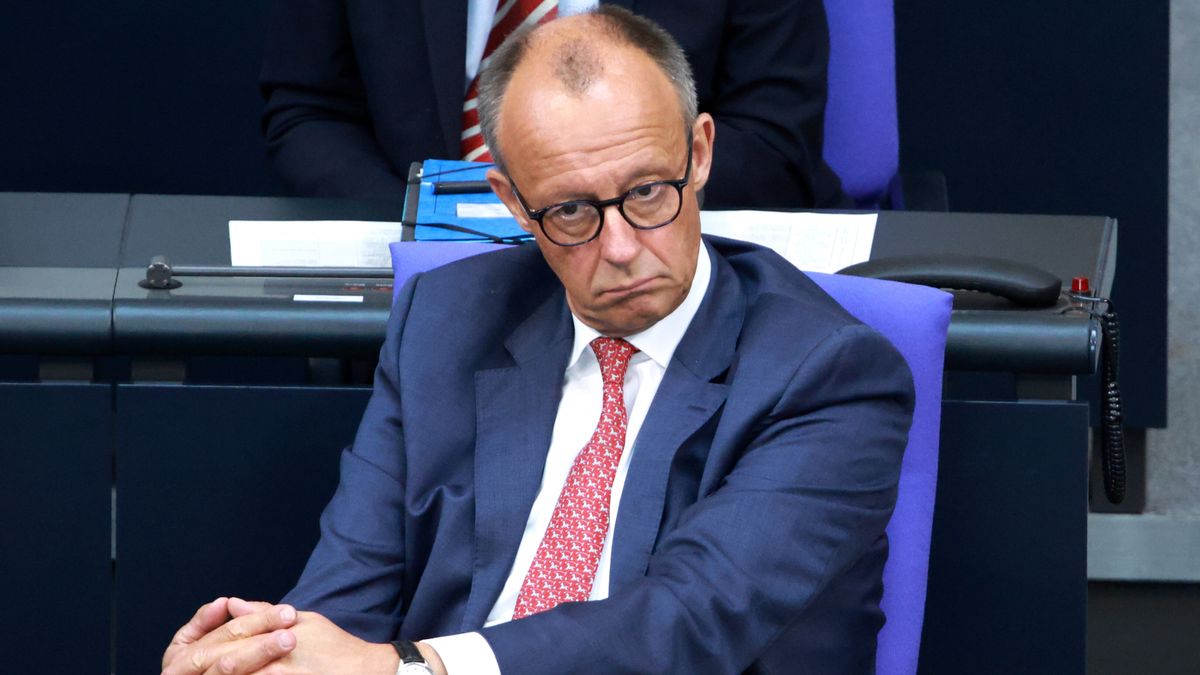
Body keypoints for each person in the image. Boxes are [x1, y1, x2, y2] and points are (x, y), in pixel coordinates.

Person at [164, 8, 911, 674]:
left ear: (702, 151)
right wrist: (261, 656)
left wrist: (405, 671)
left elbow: (685, 626)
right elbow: (342, 599)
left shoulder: (830, 371)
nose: (620, 246)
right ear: (513, 203)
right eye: (573, 211)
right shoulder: (448, 321)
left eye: (649, 191)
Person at [260, 0, 850, 209]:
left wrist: (596, 217)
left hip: (665, 281)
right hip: (425, 303)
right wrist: (428, 228)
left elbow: (772, 140)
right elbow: (310, 111)